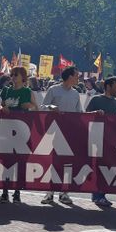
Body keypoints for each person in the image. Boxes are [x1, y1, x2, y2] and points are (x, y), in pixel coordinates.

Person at [40, 66, 82, 205]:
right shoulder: (53, 90)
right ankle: (49, 192)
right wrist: (50, 107)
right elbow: (42, 106)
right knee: (53, 162)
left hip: (69, 132)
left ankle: (64, 192)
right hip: (54, 132)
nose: (78, 78)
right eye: (76, 75)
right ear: (70, 76)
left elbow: (79, 113)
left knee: (68, 163)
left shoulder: (76, 93)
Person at [0, 67, 36, 204]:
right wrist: (3, 108)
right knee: (6, 164)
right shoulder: (6, 90)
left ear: (23, 77)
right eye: (12, 74)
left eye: (16, 75)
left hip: (22, 133)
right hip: (7, 132)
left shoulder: (27, 91)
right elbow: (0, 106)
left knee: (21, 164)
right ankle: (4, 191)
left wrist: (29, 106)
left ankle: (17, 192)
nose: (13, 77)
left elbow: (36, 108)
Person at [85, 76, 116, 207]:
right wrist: (95, 113)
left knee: (108, 168)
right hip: (97, 139)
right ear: (108, 86)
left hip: (112, 141)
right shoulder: (96, 99)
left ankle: (101, 194)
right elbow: (85, 115)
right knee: (98, 167)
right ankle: (97, 194)